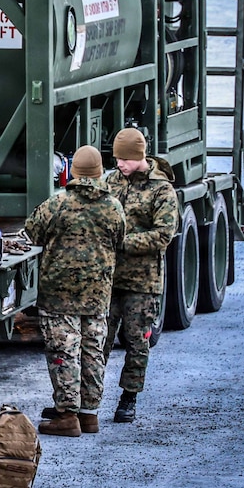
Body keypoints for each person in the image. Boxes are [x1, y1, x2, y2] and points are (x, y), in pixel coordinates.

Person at [25, 145, 126, 437]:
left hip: (59, 294)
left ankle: (67, 415)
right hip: (98, 294)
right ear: (99, 173)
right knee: (93, 350)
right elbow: (121, 240)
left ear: (74, 172)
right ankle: (89, 414)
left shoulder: (57, 204)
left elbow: (32, 232)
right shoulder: (113, 206)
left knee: (64, 351)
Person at [104, 128, 179, 423]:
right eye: (117, 158)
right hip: (109, 277)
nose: (120, 164)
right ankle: (88, 399)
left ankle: (128, 397)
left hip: (142, 280)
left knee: (136, 340)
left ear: (139, 157)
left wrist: (123, 242)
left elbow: (163, 235)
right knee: (98, 339)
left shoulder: (161, 190)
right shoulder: (111, 181)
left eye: (124, 159)